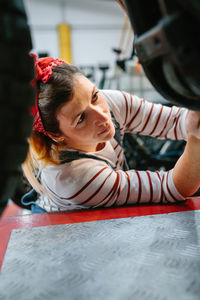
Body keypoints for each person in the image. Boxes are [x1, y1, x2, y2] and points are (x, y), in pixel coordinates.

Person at [22, 54, 200, 213]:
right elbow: (171, 188)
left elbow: (177, 121)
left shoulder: (109, 101)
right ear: (57, 135)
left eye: (93, 96)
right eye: (81, 118)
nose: (102, 116)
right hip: (66, 230)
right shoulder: (73, 178)